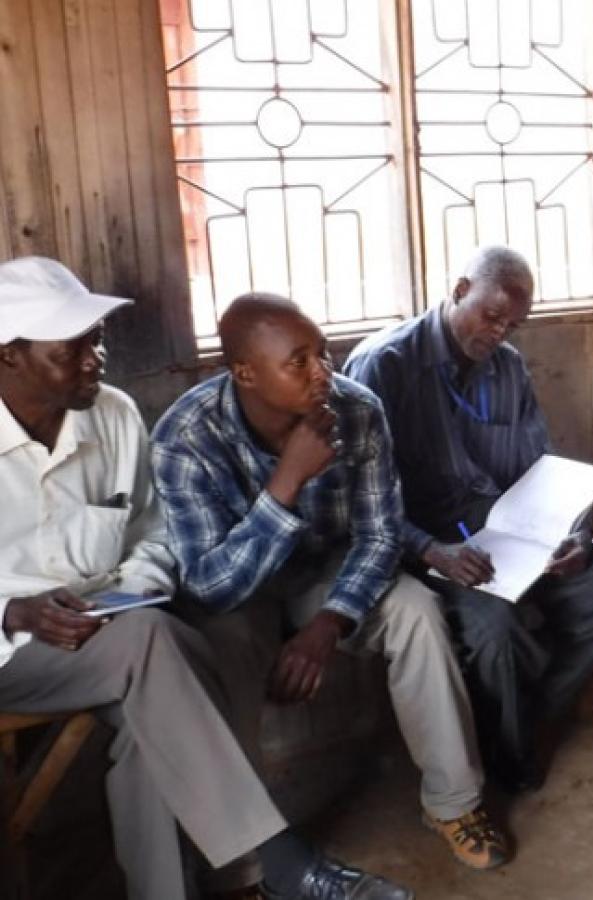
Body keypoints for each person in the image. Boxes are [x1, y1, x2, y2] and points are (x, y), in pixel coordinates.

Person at [0, 258, 408, 900]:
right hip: (14, 651)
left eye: (96, 341)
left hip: (111, 633)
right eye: (69, 350)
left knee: (151, 715)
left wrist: (125, 597)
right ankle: (279, 865)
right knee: (163, 644)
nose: (93, 360)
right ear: (10, 356)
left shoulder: (113, 415)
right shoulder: (186, 428)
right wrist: (13, 612)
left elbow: (152, 534)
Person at [150, 294, 511, 870]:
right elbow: (210, 586)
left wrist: (328, 624)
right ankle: (248, 857)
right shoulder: (186, 435)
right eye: (299, 361)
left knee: (416, 610)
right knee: (219, 651)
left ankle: (452, 803)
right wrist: (287, 480)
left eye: (323, 353)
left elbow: (381, 537)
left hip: (330, 574)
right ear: (244, 372)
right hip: (241, 591)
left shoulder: (357, 409)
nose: (324, 372)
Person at [344, 246, 593, 791]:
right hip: (420, 543)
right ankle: (511, 760)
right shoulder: (384, 364)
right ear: (460, 291)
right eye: (492, 315)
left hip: (505, 530)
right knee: (496, 629)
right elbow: (361, 503)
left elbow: (540, 467)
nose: (501, 332)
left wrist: (572, 532)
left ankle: (524, 719)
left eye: (514, 324)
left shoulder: (507, 368)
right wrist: (433, 551)